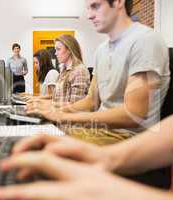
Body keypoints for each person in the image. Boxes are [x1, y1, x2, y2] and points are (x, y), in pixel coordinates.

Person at [26, 0, 170, 144]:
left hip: (128, 139)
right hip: (100, 131)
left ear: (119, 2)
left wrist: (62, 116)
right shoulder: (101, 50)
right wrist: (55, 107)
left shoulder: (144, 41)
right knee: (31, 138)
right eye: (88, 8)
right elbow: (91, 101)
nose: (89, 15)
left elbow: (133, 115)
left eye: (95, 6)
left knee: (44, 147)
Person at [0, 115, 173, 200]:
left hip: (121, 134)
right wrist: (106, 157)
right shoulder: (104, 50)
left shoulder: (143, 42)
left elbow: (134, 113)